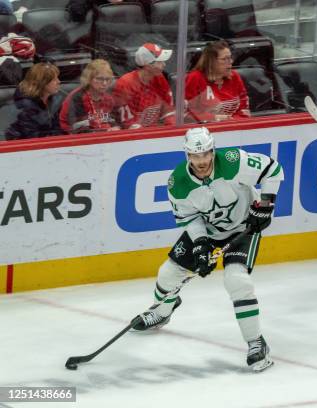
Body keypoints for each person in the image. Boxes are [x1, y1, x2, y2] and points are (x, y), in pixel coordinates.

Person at [132, 126, 283, 372]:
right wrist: (201, 246)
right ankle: (163, 311)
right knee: (167, 275)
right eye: (195, 155)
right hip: (209, 232)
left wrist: (265, 204)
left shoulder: (233, 161)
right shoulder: (177, 183)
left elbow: (272, 169)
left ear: (213, 151)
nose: (201, 161)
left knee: (237, 281)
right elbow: (189, 218)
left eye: (205, 154)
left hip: (243, 227)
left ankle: (256, 343)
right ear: (187, 155)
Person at [112, 42, 175, 129]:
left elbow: (168, 109)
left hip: (155, 133)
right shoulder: (126, 83)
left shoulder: (159, 78)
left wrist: (171, 129)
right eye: (159, 62)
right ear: (147, 64)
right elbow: (128, 123)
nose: (164, 64)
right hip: (134, 137)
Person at [185, 40, 250, 123]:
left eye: (230, 57)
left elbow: (244, 110)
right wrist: (215, 118)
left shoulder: (235, 77)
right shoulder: (195, 78)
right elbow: (187, 114)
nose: (231, 62)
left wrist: (231, 122)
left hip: (234, 127)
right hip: (203, 131)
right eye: (224, 59)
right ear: (211, 62)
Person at [59, 59, 121, 133]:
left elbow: (113, 120)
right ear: (89, 79)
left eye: (107, 79)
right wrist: (105, 131)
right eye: (100, 79)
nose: (104, 83)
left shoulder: (108, 99)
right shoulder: (76, 98)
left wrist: (115, 127)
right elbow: (77, 128)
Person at [5, 62, 64, 140]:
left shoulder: (54, 100)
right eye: (54, 79)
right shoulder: (25, 106)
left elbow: (59, 127)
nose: (59, 82)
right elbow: (32, 137)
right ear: (42, 83)